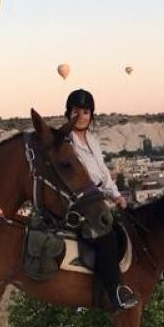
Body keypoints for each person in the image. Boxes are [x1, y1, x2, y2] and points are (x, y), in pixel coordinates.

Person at [64, 89, 137, 310]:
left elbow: (103, 173)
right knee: (105, 236)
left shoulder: (92, 140)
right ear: (68, 113)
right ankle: (114, 290)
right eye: (77, 111)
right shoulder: (67, 143)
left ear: (91, 115)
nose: (81, 116)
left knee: (124, 229)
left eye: (86, 111)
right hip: (77, 202)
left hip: (96, 200)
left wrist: (116, 195)